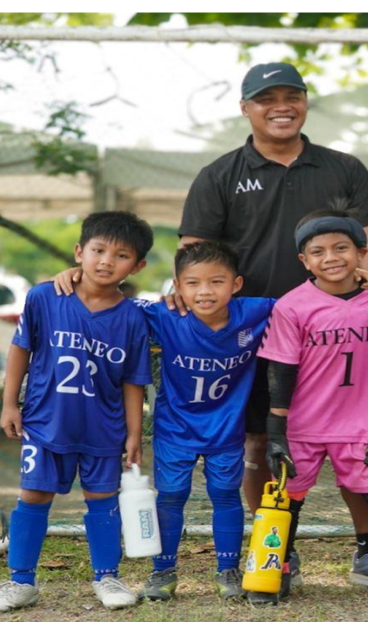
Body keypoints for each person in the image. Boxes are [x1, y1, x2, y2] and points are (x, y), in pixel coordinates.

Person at [53, 61, 368, 590]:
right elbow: (194, 251)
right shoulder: (220, 175)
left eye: (292, 95)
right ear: (246, 108)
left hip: (337, 331)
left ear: (306, 102)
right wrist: (177, 297)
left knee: (351, 439)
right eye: (266, 98)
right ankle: (274, 545)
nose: (280, 106)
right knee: (261, 444)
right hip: (251, 335)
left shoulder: (344, 168)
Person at [0, 212, 154, 614]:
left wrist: (132, 432)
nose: (107, 261)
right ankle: (20, 581)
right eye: (98, 250)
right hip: (44, 421)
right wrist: (9, 403)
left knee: (102, 499)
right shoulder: (44, 297)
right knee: (33, 496)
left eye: (121, 255)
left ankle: (107, 576)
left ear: (138, 266)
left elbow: (133, 381)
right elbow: (20, 348)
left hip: (103, 428)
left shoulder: (133, 318)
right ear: (80, 253)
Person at [259, 211, 368, 606]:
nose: (330, 257)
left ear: (361, 252)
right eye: (317, 251)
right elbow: (280, 371)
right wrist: (276, 432)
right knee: (285, 498)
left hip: (361, 424)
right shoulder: (292, 306)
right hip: (303, 424)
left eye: (341, 248)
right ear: (304, 261)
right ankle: (272, 569)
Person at [132, 241, 276, 602]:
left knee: (225, 495)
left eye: (216, 281)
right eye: (193, 283)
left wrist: (365, 278)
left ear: (236, 284)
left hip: (227, 430)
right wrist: (76, 276)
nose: (205, 291)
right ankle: (162, 571)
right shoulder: (165, 316)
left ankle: (228, 569)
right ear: (177, 287)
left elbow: (310, 303)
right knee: (171, 496)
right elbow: (106, 300)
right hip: (174, 429)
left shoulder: (255, 313)